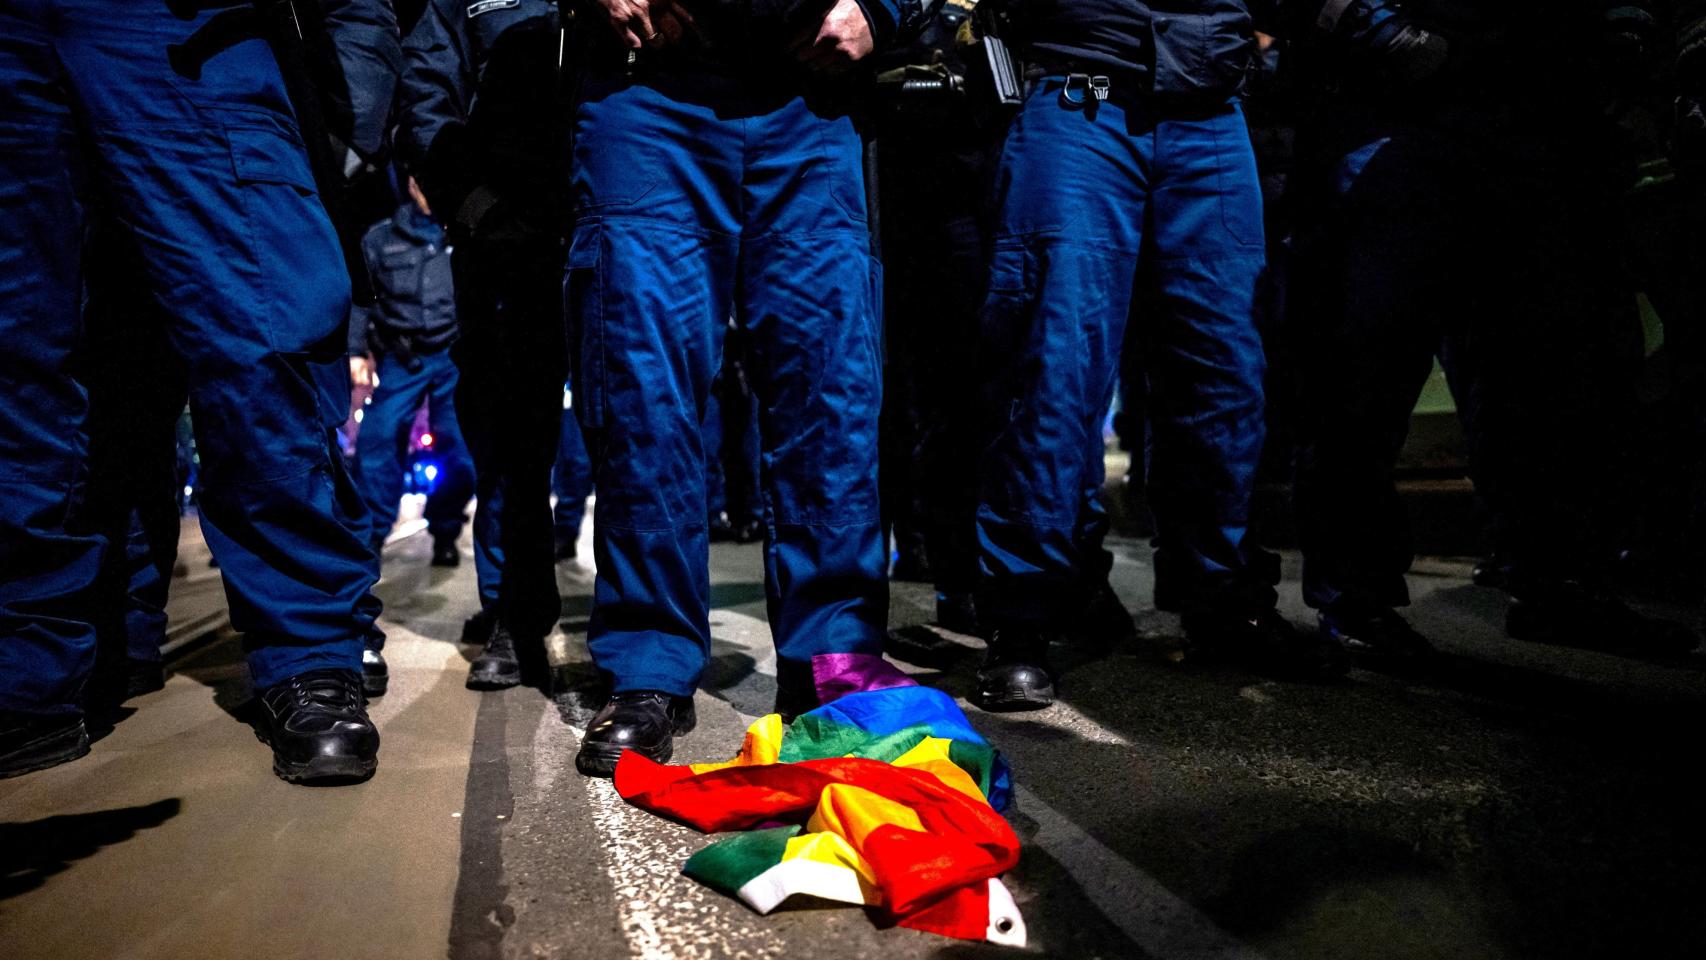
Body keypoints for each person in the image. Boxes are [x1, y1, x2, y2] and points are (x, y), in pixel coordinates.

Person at [1, 0, 382, 783]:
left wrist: (350, 119)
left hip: (181, 20)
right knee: (22, 351)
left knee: (261, 332)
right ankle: (30, 666)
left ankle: (308, 648)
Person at [968, 1, 1387, 712]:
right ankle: (1024, 619)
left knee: (1226, 376)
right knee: (1055, 373)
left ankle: (1223, 598)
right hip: (1080, 97)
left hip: (1211, 113)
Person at [567, 0, 919, 776]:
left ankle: (831, 655)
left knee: (829, 393)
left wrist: (880, 9)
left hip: (810, 95)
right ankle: (648, 665)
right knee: (643, 389)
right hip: (652, 88)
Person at [1287, 0, 1699, 660]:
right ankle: (1355, 596)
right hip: (1398, 116)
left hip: (1534, 120)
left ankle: (1558, 580)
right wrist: (1379, 30)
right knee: (1366, 375)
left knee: (1549, 372)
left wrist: (1625, 23)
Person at [398, 0, 573, 691]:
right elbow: (428, 90)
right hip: (503, 233)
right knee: (510, 441)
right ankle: (516, 613)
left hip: (614, 202)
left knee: (635, 420)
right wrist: (470, 203)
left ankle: (637, 630)